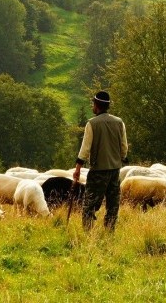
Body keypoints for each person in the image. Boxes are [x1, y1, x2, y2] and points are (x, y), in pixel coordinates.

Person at [72, 90, 128, 231]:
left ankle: (88, 233)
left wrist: (78, 168)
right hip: (115, 171)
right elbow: (124, 147)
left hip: (98, 171)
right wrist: (120, 159)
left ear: (96, 105)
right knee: (112, 205)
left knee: (90, 204)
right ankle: (109, 232)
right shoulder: (119, 122)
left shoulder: (92, 124)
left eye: (93, 103)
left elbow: (85, 149)